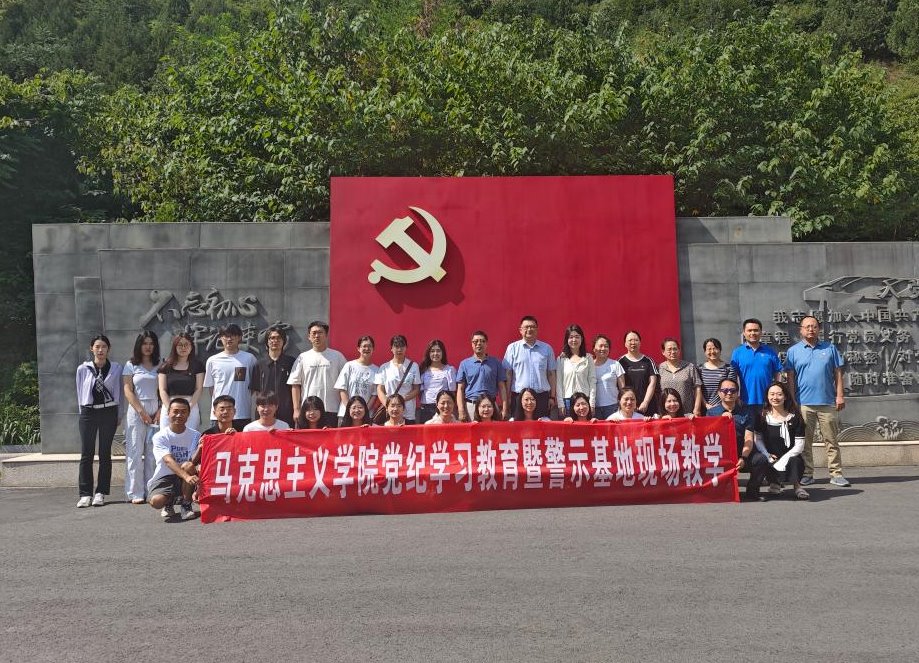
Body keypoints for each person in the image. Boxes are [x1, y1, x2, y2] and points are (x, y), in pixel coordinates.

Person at [784, 315, 849, 487]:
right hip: (804, 404)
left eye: (814, 326)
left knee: (831, 440)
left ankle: (836, 473)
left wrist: (839, 395)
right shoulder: (793, 351)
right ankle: (807, 473)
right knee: (805, 442)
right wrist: (792, 400)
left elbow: (838, 373)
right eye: (807, 326)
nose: (810, 329)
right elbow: (790, 378)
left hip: (827, 402)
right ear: (801, 330)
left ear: (819, 329)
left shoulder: (830, 348)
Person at [75, 334, 123, 508]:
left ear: (108, 349)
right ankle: (85, 493)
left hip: (109, 412)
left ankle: (101, 492)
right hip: (88, 412)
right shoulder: (83, 368)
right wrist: (82, 412)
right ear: (91, 349)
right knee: (86, 453)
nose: (100, 350)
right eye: (97, 347)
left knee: (104, 453)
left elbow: (120, 392)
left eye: (103, 347)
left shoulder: (116, 368)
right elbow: (79, 391)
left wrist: (119, 415)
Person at [707, 377, 768, 501]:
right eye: (725, 390)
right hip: (721, 454)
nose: (729, 393)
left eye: (733, 390)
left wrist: (743, 457)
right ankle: (720, 492)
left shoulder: (747, 412)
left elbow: (748, 437)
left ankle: (752, 492)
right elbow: (708, 437)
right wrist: (720, 420)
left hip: (742, 453)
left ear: (737, 393)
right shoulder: (711, 413)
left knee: (760, 459)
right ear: (719, 393)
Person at [122, 331, 161, 505]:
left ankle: (151, 490)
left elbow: (164, 389)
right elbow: (127, 390)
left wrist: (160, 410)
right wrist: (141, 412)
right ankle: (135, 492)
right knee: (135, 452)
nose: (148, 347)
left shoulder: (160, 364)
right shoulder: (131, 365)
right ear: (139, 345)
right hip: (136, 410)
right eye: (145, 343)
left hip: (156, 409)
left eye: (151, 343)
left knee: (153, 453)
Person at [146, 398, 201, 521]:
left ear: (189, 414)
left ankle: (186, 505)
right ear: (168, 413)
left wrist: (200, 448)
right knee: (156, 502)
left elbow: (193, 460)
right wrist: (186, 477)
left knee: (188, 465)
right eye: (175, 411)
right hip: (166, 476)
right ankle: (169, 502)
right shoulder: (160, 436)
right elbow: (168, 460)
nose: (179, 415)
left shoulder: (196, 435)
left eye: (183, 412)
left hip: (188, 474)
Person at [754, 381, 809, 500]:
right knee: (763, 460)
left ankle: (797, 487)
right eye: (772, 394)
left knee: (795, 460)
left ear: (785, 396)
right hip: (771, 455)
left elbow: (799, 445)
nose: (775, 397)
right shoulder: (762, 416)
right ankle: (774, 483)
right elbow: (758, 439)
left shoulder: (795, 417)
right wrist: (767, 454)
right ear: (767, 396)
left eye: (779, 394)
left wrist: (784, 459)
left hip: (791, 455)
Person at [287, 320, 347, 420]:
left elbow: (345, 384)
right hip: (308, 410)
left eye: (320, 332)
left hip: (331, 409)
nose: (317, 336)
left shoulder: (337, 356)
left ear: (326, 335)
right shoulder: (303, 357)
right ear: (309, 337)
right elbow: (295, 384)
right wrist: (296, 409)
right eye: (314, 333)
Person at [203, 323, 257, 428]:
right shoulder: (212, 360)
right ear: (220, 338)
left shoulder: (249, 359)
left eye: (233, 335)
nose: (229, 339)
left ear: (239, 337)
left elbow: (254, 386)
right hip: (219, 416)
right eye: (226, 335)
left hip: (242, 413)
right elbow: (211, 388)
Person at [503, 316, 557, 420]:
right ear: (520, 330)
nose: (529, 329)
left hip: (541, 397)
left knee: (542, 425)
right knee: (518, 426)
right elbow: (508, 374)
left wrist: (552, 397)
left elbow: (551, 374)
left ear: (537, 329)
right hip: (519, 397)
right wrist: (507, 397)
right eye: (526, 327)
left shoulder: (547, 348)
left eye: (532, 327)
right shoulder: (512, 348)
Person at [250, 325, 296, 427]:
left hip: (286, 411)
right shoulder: (259, 364)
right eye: (272, 338)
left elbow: (296, 387)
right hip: (264, 412)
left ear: (284, 341)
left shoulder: (291, 362)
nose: (275, 341)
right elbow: (256, 391)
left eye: (279, 338)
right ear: (267, 341)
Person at [730, 318, 782, 409]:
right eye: (749, 330)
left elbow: (778, 373)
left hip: (768, 401)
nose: (753, 333)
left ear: (761, 332)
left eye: (756, 330)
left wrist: (777, 393)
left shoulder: (770, 352)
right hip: (744, 401)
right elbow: (733, 376)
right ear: (744, 333)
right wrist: (736, 396)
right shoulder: (737, 352)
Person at [456, 330, 507, 422]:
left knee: (492, 430)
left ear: (486, 344)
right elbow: (460, 389)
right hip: (471, 405)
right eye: (475, 341)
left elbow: (502, 387)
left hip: (490, 406)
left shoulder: (496, 363)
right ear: (472, 344)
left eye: (482, 341)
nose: (479, 344)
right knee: (472, 430)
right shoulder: (464, 364)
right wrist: (461, 410)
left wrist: (504, 408)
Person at [157, 332, 204, 431]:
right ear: (174, 347)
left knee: (190, 436)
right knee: (167, 435)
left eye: (186, 344)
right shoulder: (165, 366)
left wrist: (189, 407)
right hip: (169, 405)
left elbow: (199, 389)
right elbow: (162, 389)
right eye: (180, 345)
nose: (183, 348)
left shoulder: (197, 366)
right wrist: (169, 408)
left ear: (191, 347)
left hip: (190, 406)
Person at [374, 335, 422, 424]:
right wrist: (388, 405)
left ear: (406, 348)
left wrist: (402, 399)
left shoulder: (413, 366)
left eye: (402, 346)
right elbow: (380, 389)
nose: (399, 349)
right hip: (390, 413)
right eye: (396, 346)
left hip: (408, 412)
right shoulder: (384, 367)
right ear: (391, 349)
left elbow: (416, 389)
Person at [333, 335, 379, 426]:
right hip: (345, 414)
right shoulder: (349, 365)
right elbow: (342, 389)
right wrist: (350, 409)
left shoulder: (377, 370)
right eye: (364, 346)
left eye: (369, 346)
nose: (367, 349)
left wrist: (364, 411)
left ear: (373, 349)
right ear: (358, 348)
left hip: (366, 417)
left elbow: (374, 395)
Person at [556, 324, 597, 417]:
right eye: (571, 337)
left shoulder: (588, 358)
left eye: (577, 337)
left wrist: (592, 402)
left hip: (585, 401)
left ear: (581, 339)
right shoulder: (561, 359)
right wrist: (560, 404)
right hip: (567, 401)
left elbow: (592, 381)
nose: (574, 340)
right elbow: (559, 383)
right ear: (567, 340)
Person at [657, 337, 703, 416]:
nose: (673, 352)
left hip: (688, 414)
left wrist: (697, 409)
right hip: (667, 415)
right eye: (669, 349)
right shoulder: (659, 368)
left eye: (675, 349)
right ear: (663, 352)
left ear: (679, 350)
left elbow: (697, 388)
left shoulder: (689, 367)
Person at [618, 331, 659, 416]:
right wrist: (630, 403)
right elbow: (621, 386)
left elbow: (652, 383)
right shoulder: (620, 362)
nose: (633, 343)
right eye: (630, 340)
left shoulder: (648, 361)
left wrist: (646, 402)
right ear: (625, 344)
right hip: (628, 405)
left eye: (636, 340)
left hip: (647, 406)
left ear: (640, 343)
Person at [418, 340, 457, 423]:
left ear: (443, 353)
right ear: (428, 353)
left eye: (438, 351)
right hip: (426, 408)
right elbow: (419, 391)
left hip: (443, 408)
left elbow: (452, 392)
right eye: (432, 351)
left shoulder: (449, 370)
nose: (435, 353)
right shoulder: (423, 370)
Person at [698, 338, 737, 412]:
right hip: (705, 408)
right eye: (709, 349)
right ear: (705, 352)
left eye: (715, 348)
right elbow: (698, 390)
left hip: (724, 408)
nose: (712, 351)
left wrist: (719, 406)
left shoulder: (728, 368)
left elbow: (731, 389)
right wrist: (706, 405)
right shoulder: (700, 369)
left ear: (720, 350)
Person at [593, 334, 626, 420]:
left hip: (612, 406)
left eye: (606, 346)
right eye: (600, 346)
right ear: (594, 349)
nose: (603, 348)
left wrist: (622, 404)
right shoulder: (589, 366)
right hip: (594, 407)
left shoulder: (615, 364)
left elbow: (622, 388)